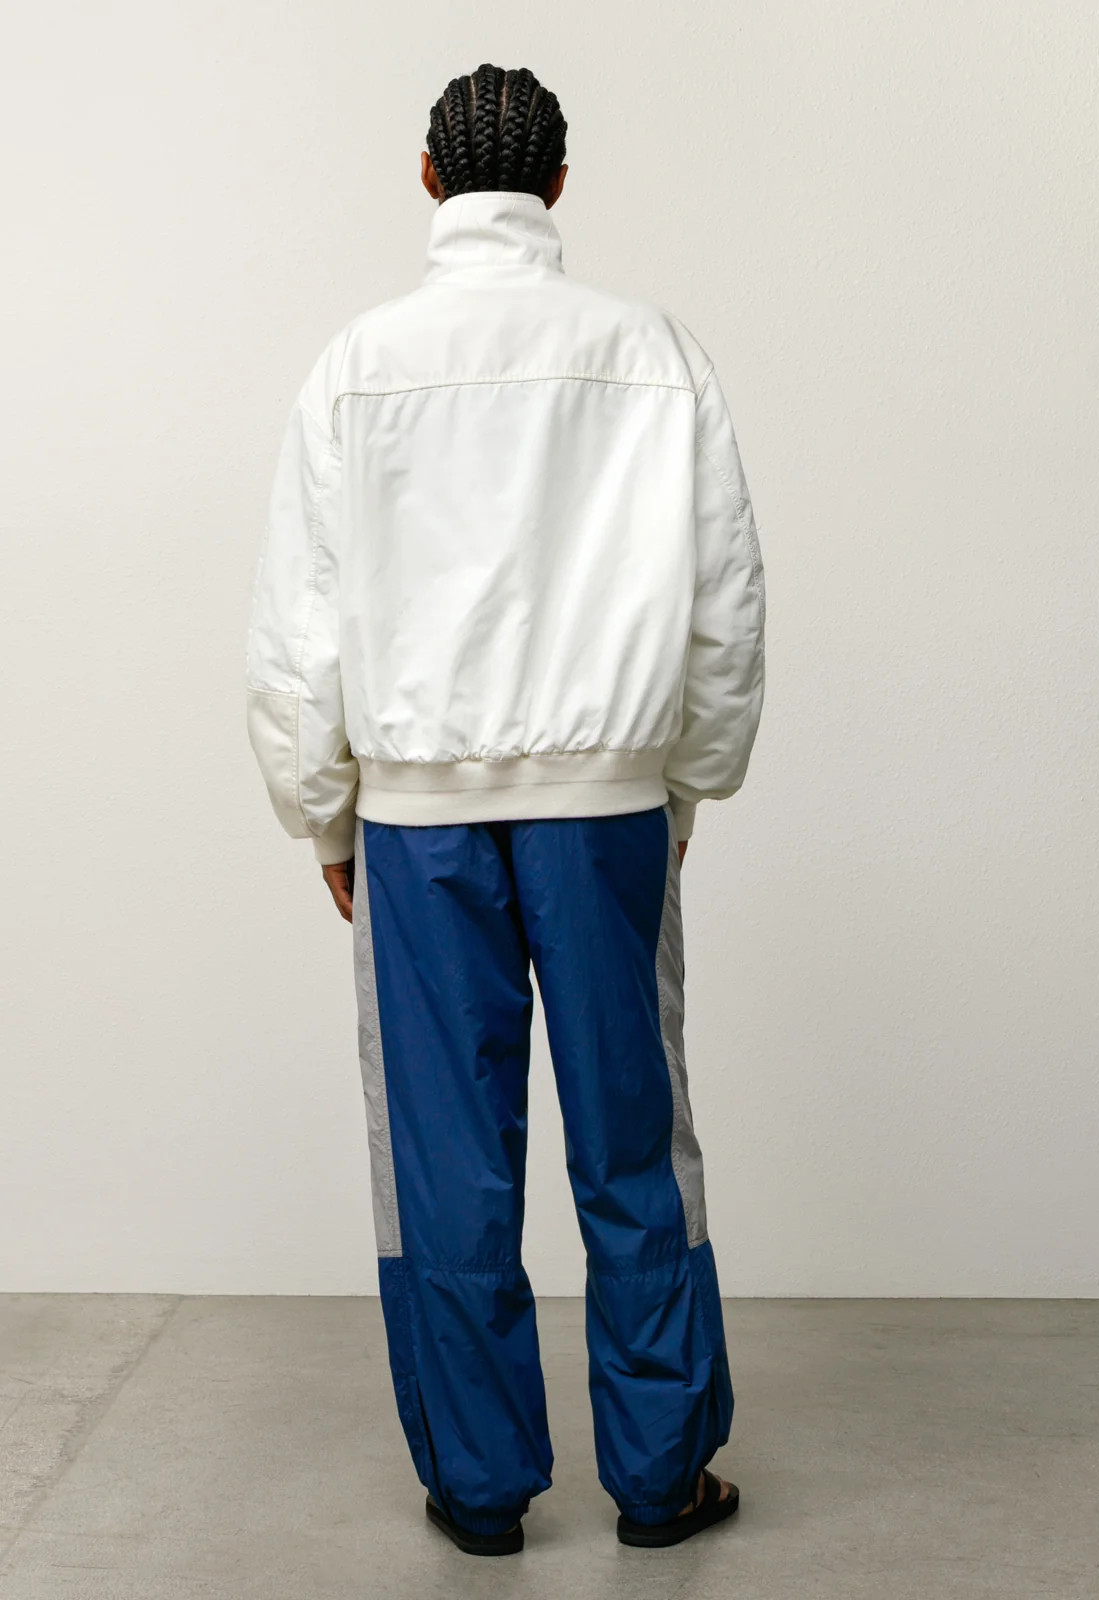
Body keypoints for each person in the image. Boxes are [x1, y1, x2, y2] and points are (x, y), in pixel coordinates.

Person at [245, 62, 766, 1558]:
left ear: (428, 179)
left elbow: (300, 625)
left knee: (447, 1153)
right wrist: (686, 783)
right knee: (634, 1137)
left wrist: (325, 815)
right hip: (607, 805)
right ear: (557, 183)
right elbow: (725, 603)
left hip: (417, 821)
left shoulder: (357, 364)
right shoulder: (652, 351)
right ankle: (660, 1478)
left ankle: (479, 1489)